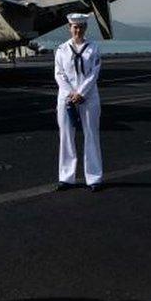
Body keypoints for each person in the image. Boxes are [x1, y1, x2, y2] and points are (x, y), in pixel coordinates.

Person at [54, 12, 103, 192]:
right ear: (69, 28)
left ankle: (94, 177)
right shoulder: (61, 50)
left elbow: (93, 73)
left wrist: (81, 93)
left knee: (91, 135)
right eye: (75, 27)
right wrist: (70, 94)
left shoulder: (93, 48)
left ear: (85, 28)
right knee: (66, 137)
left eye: (81, 27)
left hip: (88, 97)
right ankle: (66, 177)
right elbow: (59, 74)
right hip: (66, 99)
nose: (78, 30)